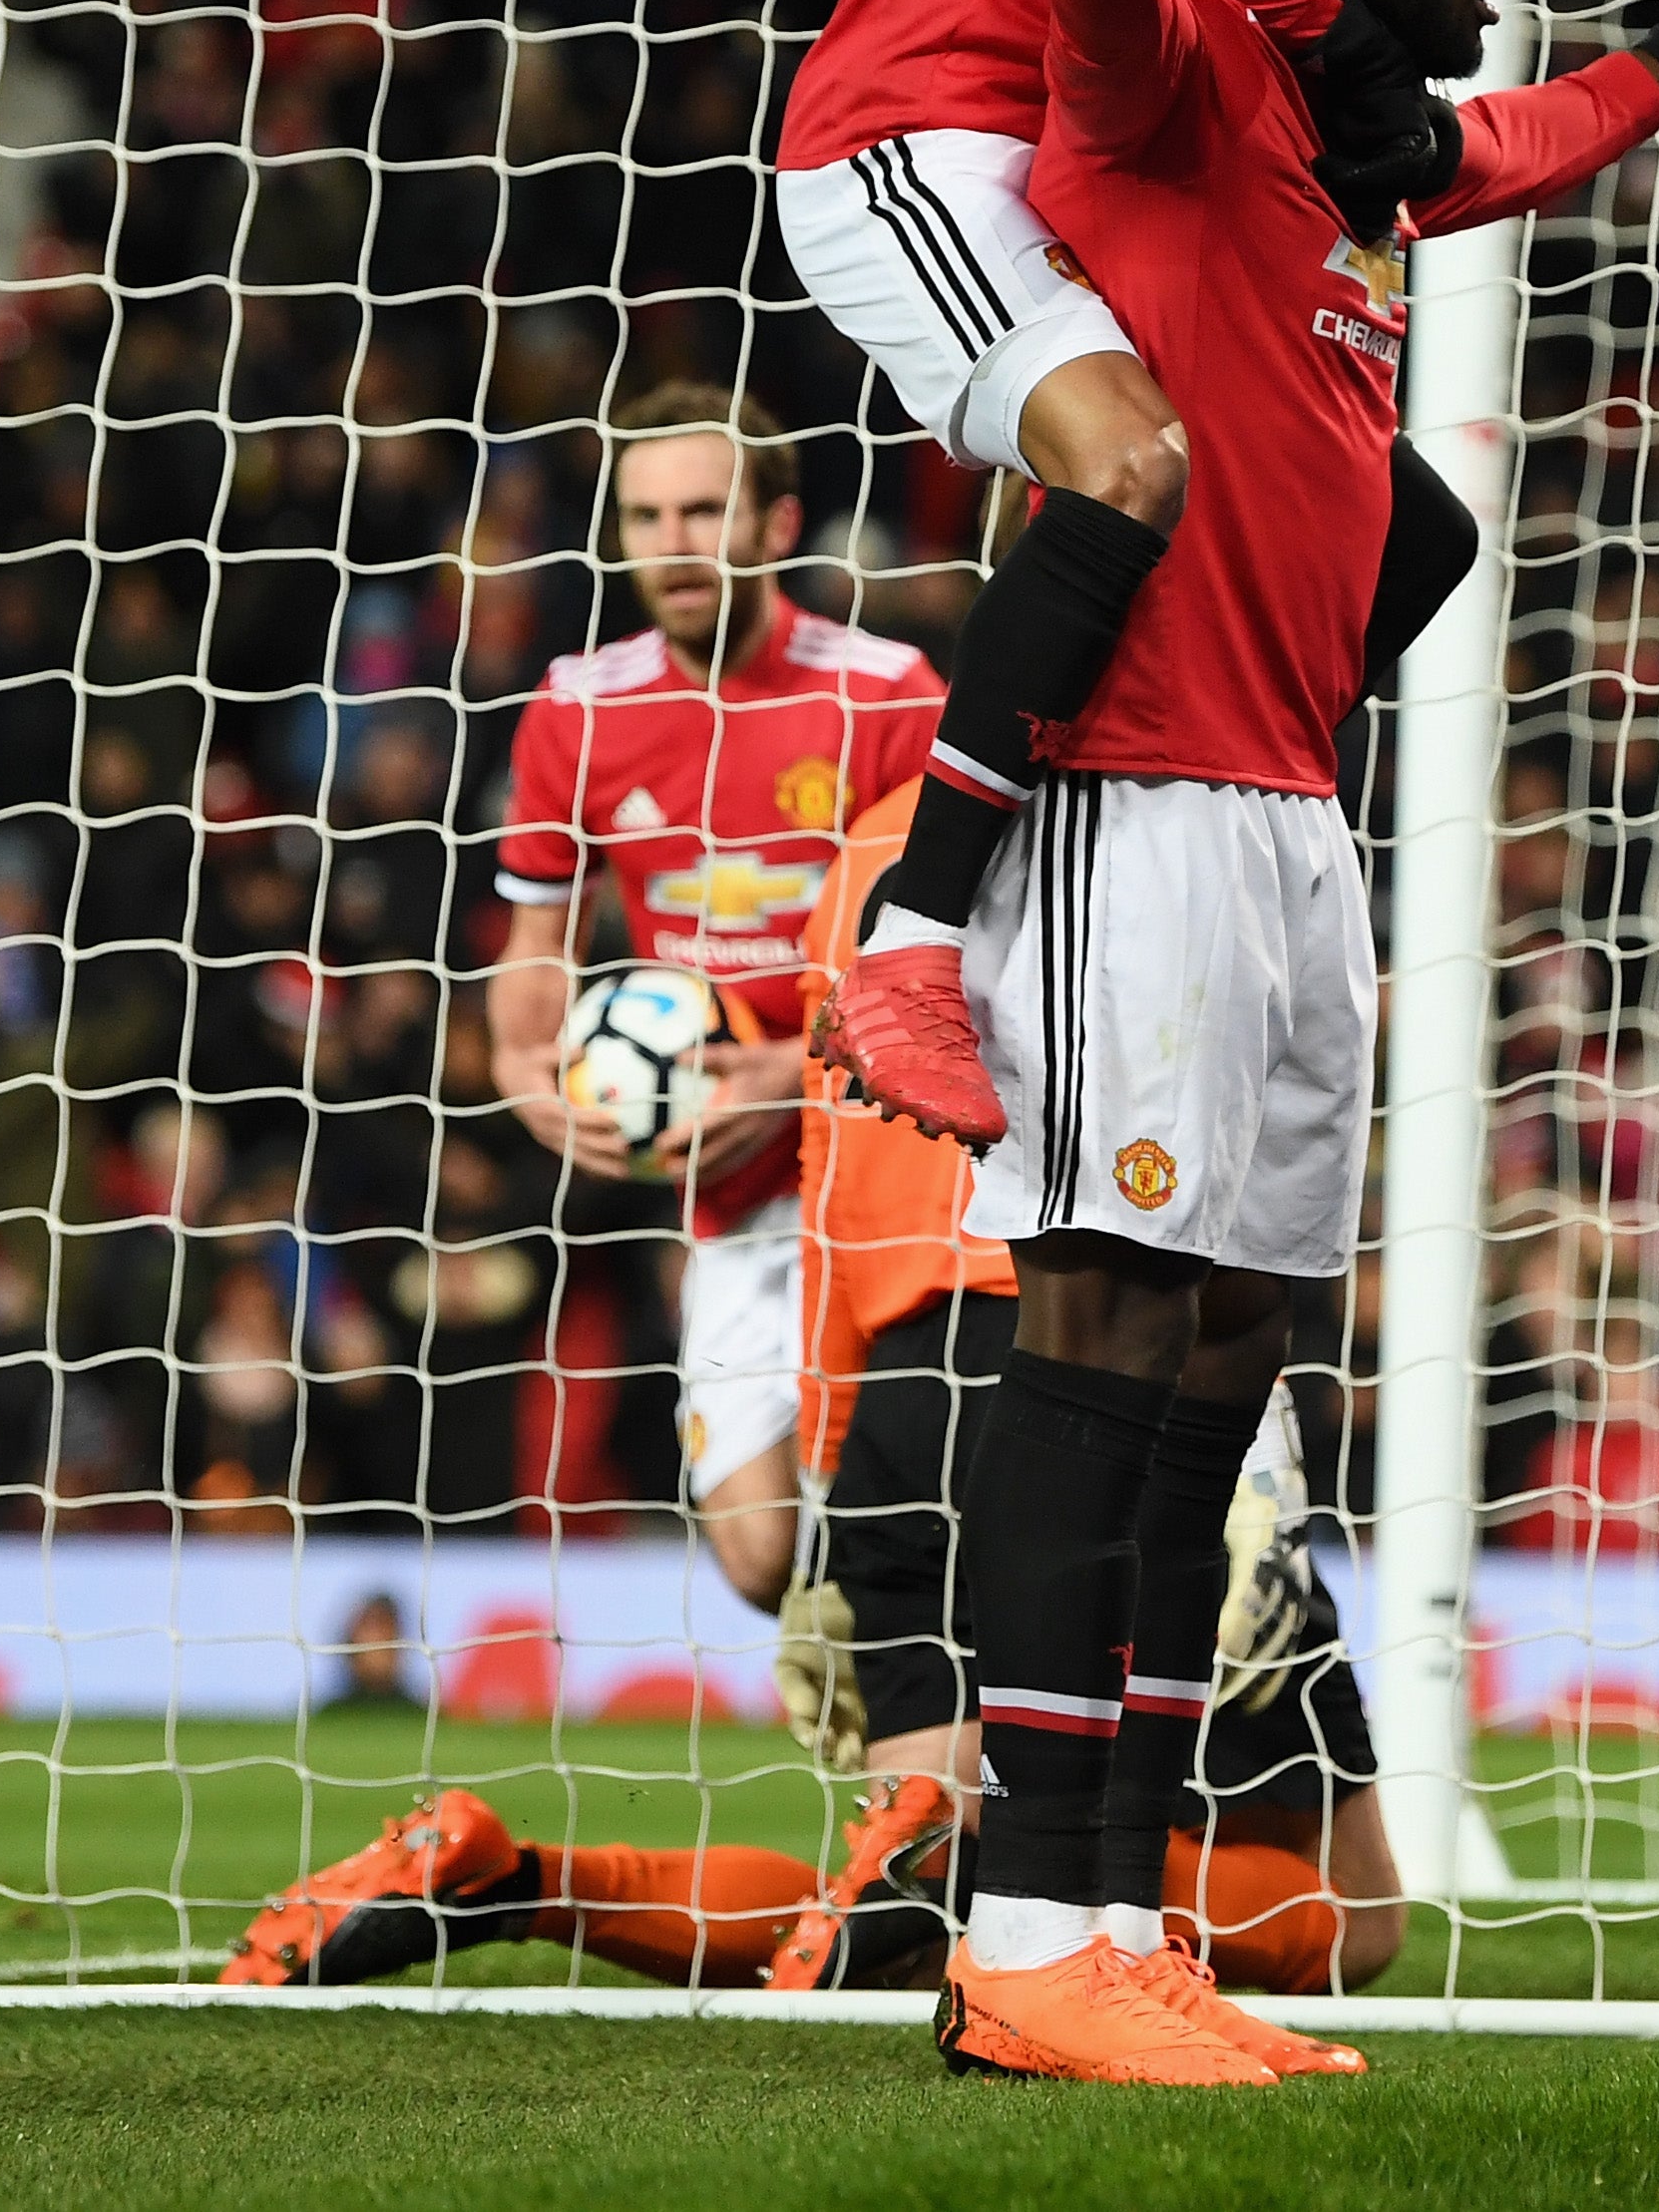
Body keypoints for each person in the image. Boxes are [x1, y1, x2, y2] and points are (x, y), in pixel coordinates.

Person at [925, 0, 1659, 2085]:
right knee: (1101, 1322)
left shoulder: (1347, 166)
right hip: (1130, 802)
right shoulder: (1183, 86)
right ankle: (1017, 1928)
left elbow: (1490, 145)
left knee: (1229, 1360)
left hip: (1282, 825)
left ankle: (1117, 1917)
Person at [215, 785, 1397, 2040]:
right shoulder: (1180, 820)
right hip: (1103, 1360)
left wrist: (839, 1457)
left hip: (900, 1382)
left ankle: (516, 1876)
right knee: (1355, 1915)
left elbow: (823, 1179)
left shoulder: (879, 850)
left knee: (918, 1899)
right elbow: (1215, 1131)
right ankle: (986, 1862)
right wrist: (1248, 1422)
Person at [781, 0, 1481, 1153]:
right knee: (1129, 467)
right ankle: (913, 939)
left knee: (1397, 529)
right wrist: (1337, 40)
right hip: (921, 143)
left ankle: (1253, 814)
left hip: (1104, 158)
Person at [489, 385, 938, 1611]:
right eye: (645, 515)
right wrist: (531, 1073)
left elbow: (965, 967)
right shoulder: (579, 706)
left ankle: (966, 1758)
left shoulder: (887, 694)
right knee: (755, 1556)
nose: (672, 543)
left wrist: (791, 1069)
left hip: (895, 1157)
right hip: (729, 1176)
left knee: (920, 1497)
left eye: (703, 510)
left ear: (776, 521)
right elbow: (534, 947)